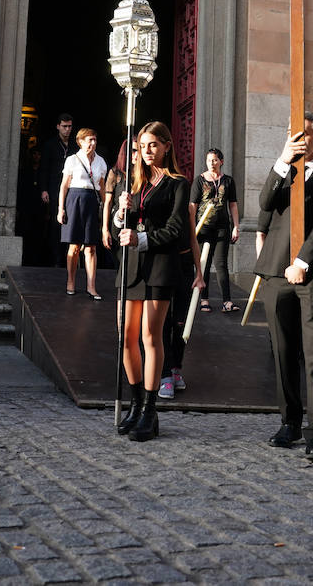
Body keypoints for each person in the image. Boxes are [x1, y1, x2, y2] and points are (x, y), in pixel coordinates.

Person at [256, 112, 313, 462]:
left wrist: (303, 262)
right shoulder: (284, 171)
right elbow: (265, 205)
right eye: (292, 134)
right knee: (282, 353)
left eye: (306, 134)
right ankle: (289, 422)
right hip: (277, 273)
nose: (299, 140)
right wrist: (282, 160)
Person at [114, 122, 193, 441]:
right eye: (142, 146)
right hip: (131, 266)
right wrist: (121, 214)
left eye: (152, 145)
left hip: (159, 265)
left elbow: (177, 229)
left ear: (166, 146)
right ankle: (134, 404)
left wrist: (141, 238)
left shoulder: (178, 183)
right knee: (125, 336)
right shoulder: (133, 181)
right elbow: (123, 225)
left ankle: (150, 410)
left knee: (150, 336)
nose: (146, 151)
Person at [57, 128, 107, 299]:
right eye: (89, 140)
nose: (92, 143)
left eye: (94, 139)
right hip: (74, 200)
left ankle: (91, 286)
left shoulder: (100, 162)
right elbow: (64, 185)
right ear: (81, 141)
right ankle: (70, 281)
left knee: (91, 246)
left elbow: (102, 187)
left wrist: (107, 207)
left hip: (91, 201)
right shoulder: (72, 160)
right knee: (75, 246)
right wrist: (60, 208)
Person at [193, 148, 241, 313]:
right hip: (204, 227)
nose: (211, 163)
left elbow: (233, 204)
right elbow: (193, 205)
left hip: (222, 227)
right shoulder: (199, 181)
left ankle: (227, 301)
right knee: (204, 264)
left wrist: (236, 226)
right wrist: (193, 228)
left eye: (214, 160)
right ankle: (204, 299)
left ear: (221, 161)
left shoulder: (228, 181)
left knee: (221, 264)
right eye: (209, 160)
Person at [37, 113, 76, 266]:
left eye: (70, 126)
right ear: (58, 126)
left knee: (70, 222)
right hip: (54, 188)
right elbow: (43, 169)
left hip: (71, 188)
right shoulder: (50, 145)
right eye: (64, 126)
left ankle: (68, 257)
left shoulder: (75, 145)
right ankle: (55, 258)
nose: (67, 130)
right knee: (55, 223)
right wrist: (44, 189)